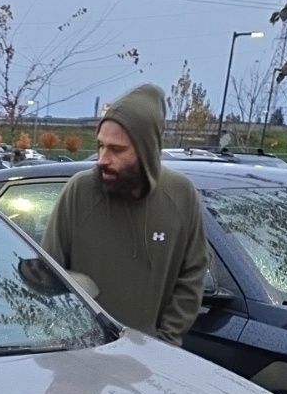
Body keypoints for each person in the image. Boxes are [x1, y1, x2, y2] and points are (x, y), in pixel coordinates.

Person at [43, 84, 209, 346]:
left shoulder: (180, 194)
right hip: (79, 355)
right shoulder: (80, 191)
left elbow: (192, 275)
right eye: (100, 146)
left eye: (117, 150)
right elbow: (49, 274)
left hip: (148, 358)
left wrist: (165, 342)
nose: (102, 159)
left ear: (146, 151)